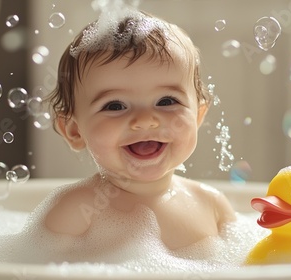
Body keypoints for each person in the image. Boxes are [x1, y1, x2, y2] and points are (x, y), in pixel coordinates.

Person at [44, 8, 235, 250]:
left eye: (167, 101)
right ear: (74, 131)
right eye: (115, 105)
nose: (145, 120)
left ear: (197, 116)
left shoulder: (212, 205)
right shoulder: (75, 211)